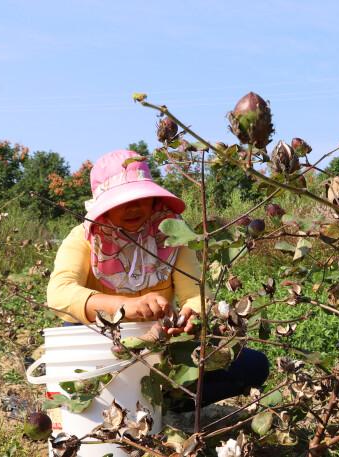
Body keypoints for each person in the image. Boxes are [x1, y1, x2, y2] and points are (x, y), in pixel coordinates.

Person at [47, 149, 269, 410]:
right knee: (82, 378)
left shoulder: (171, 235)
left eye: (140, 198)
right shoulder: (84, 239)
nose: (133, 208)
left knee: (253, 365)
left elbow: (196, 294)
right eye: (121, 202)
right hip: (97, 344)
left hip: (159, 347)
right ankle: (106, 405)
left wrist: (191, 318)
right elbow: (58, 294)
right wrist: (122, 306)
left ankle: (163, 404)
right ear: (103, 208)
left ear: (153, 199)